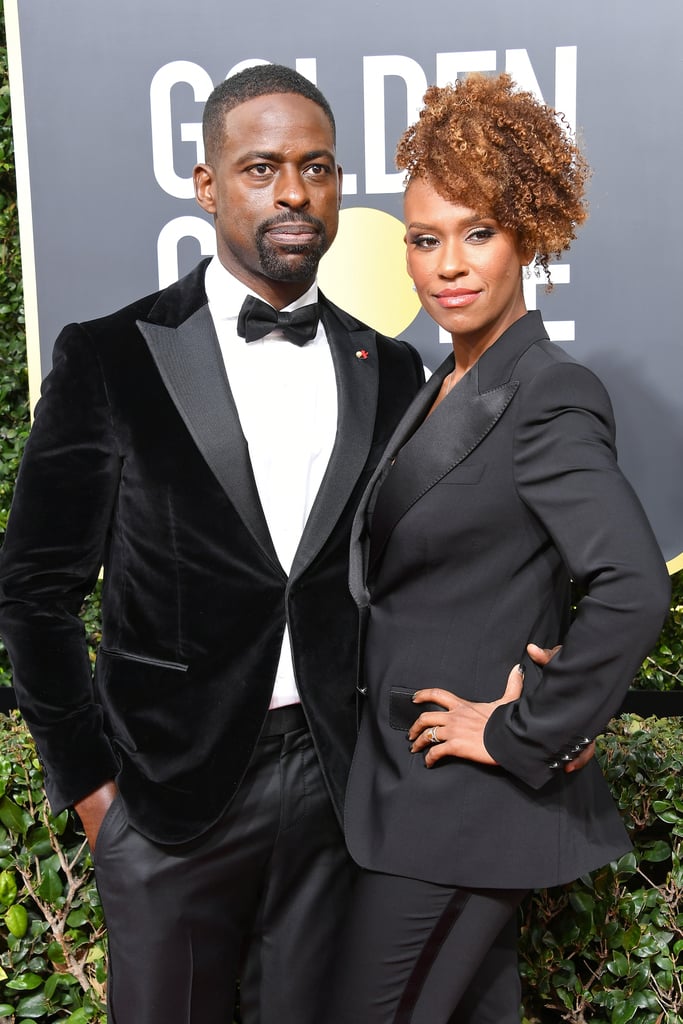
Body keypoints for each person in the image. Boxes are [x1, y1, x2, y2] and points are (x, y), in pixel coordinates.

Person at [0, 65, 428, 1024]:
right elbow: (33, 591)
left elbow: (415, 571)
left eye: (315, 168)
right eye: (261, 167)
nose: (291, 194)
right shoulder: (112, 354)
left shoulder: (389, 366)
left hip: (331, 789)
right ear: (207, 184)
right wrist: (97, 798)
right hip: (163, 799)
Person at [329, 73, 671, 1024]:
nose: (448, 263)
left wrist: (529, 730)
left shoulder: (547, 392)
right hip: (409, 794)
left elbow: (632, 588)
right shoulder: (439, 379)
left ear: (527, 234)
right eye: (424, 238)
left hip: (464, 806)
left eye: (477, 232)